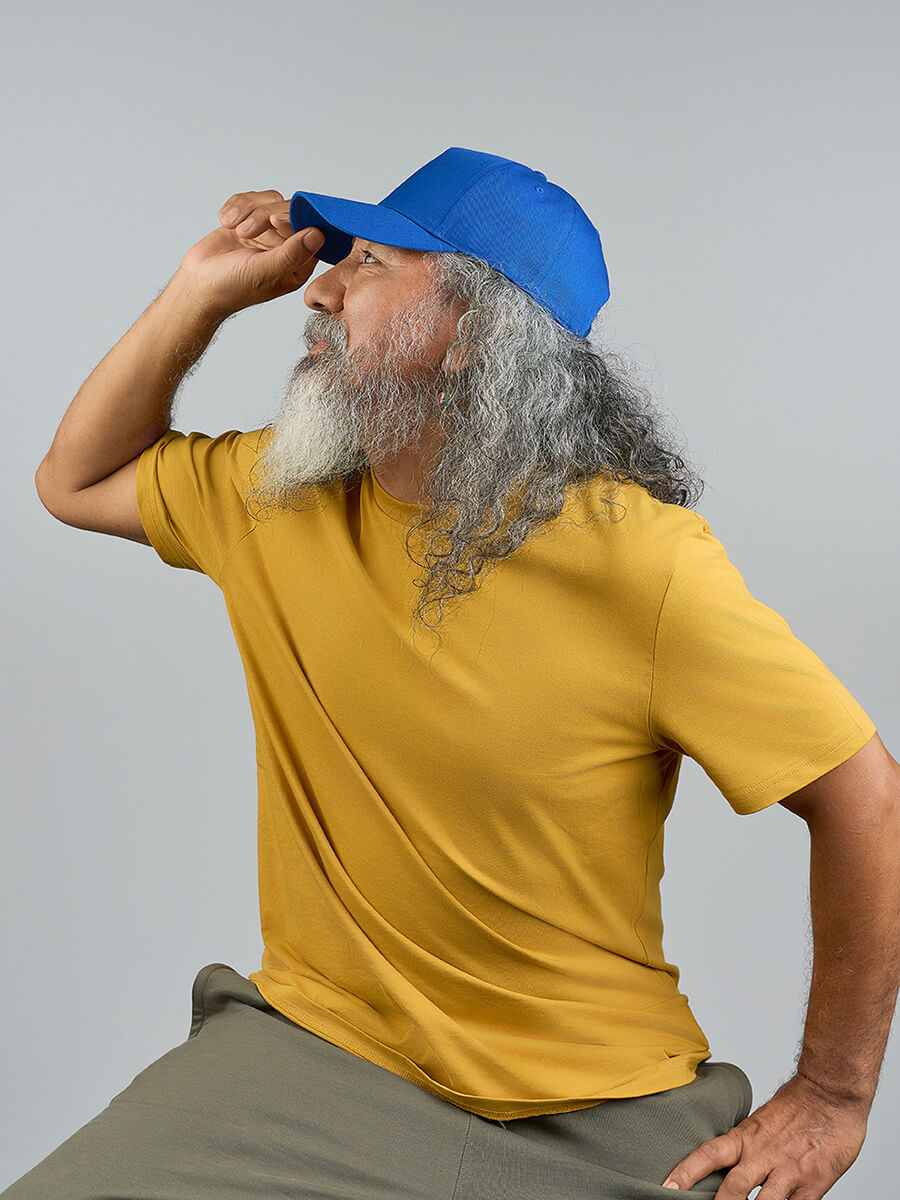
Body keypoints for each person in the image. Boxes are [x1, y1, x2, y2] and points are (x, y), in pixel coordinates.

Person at [15, 146, 897, 1200]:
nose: (319, 290)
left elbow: (865, 797)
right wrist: (197, 295)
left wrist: (834, 1096)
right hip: (316, 1057)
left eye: (371, 263)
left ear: (473, 333)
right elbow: (76, 481)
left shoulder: (641, 561)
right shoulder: (277, 495)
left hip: (596, 1105)